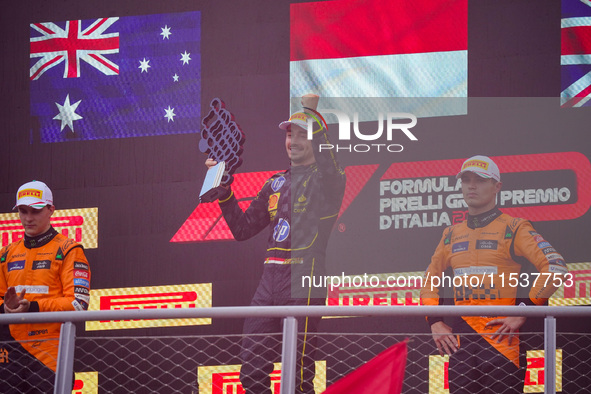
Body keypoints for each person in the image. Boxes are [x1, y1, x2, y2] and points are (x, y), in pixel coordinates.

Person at [205, 95, 346, 393]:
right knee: (252, 371)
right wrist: (225, 194)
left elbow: (329, 162)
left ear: (316, 140)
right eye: (289, 134)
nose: (292, 140)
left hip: (305, 277)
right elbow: (242, 229)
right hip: (269, 280)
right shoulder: (274, 183)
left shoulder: (329, 180)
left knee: (297, 373)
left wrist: (310, 113)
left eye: (300, 134)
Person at [420, 155, 568, 393]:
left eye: (480, 180)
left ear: (497, 187)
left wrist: (525, 309)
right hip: (461, 344)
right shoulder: (450, 234)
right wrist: (434, 321)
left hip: (503, 345)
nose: (471, 185)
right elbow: (429, 279)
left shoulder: (514, 227)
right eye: (466, 179)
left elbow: (556, 267)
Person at [0, 180, 91, 393]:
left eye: (35, 211)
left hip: (50, 356)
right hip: (9, 353)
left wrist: (32, 307)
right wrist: (5, 308)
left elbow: (78, 303)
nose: (28, 218)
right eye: (23, 211)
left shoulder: (69, 250)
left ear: (51, 210)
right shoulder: (5, 254)